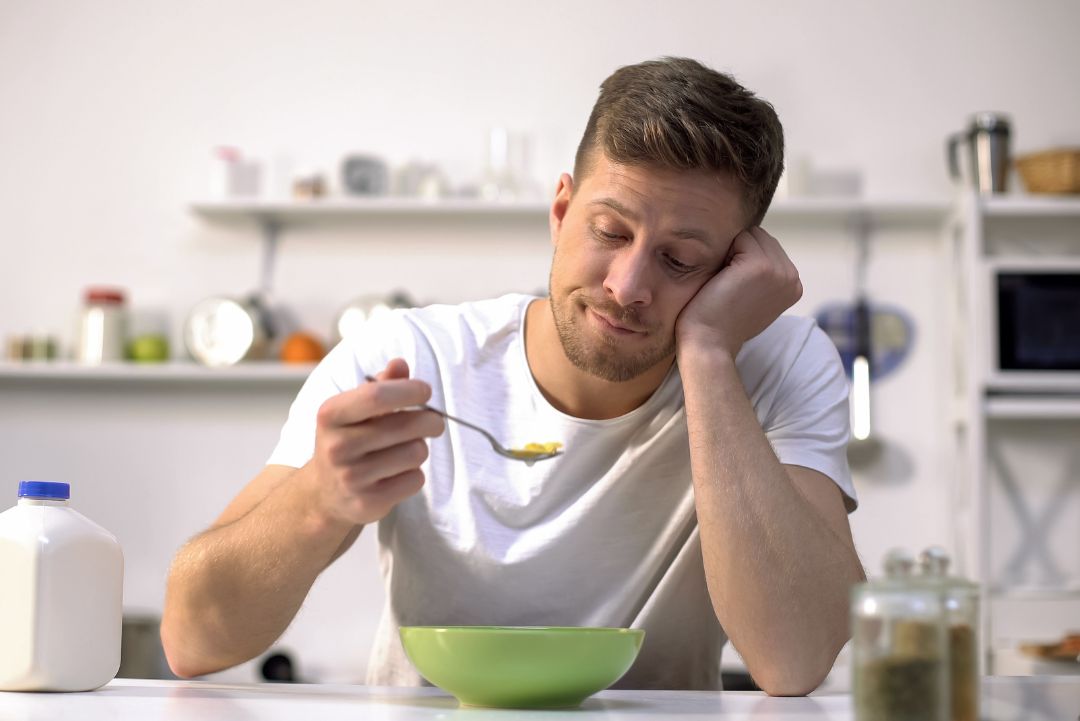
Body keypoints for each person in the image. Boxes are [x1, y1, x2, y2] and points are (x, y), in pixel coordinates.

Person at [161, 56, 865, 696]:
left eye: (680, 258)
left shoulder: (777, 363)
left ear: (733, 269)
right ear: (561, 212)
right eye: (610, 232)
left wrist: (709, 351)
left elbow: (795, 659)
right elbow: (192, 640)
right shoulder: (410, 357)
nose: (626, 285)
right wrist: (319, 498)